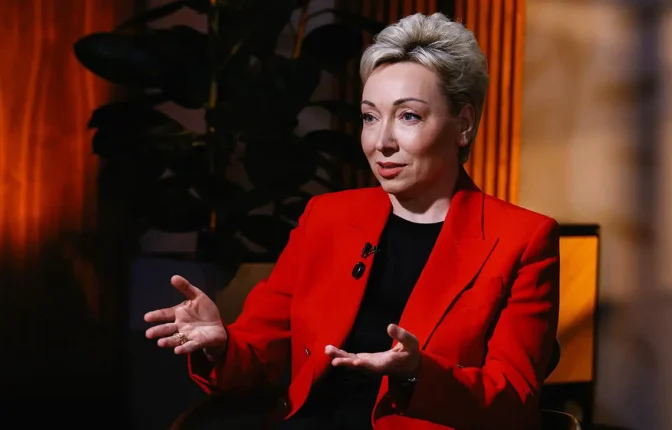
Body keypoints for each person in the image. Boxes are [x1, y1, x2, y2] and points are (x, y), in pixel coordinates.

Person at [145, 12, 560, 430]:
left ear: (464, 124)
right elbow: (256, 355)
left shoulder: (523, 240)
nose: (382, 142)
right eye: (370, 117)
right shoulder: (326, 217)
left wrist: (416, 373)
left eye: (409, 116)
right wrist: (221, 344)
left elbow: (514, 401)